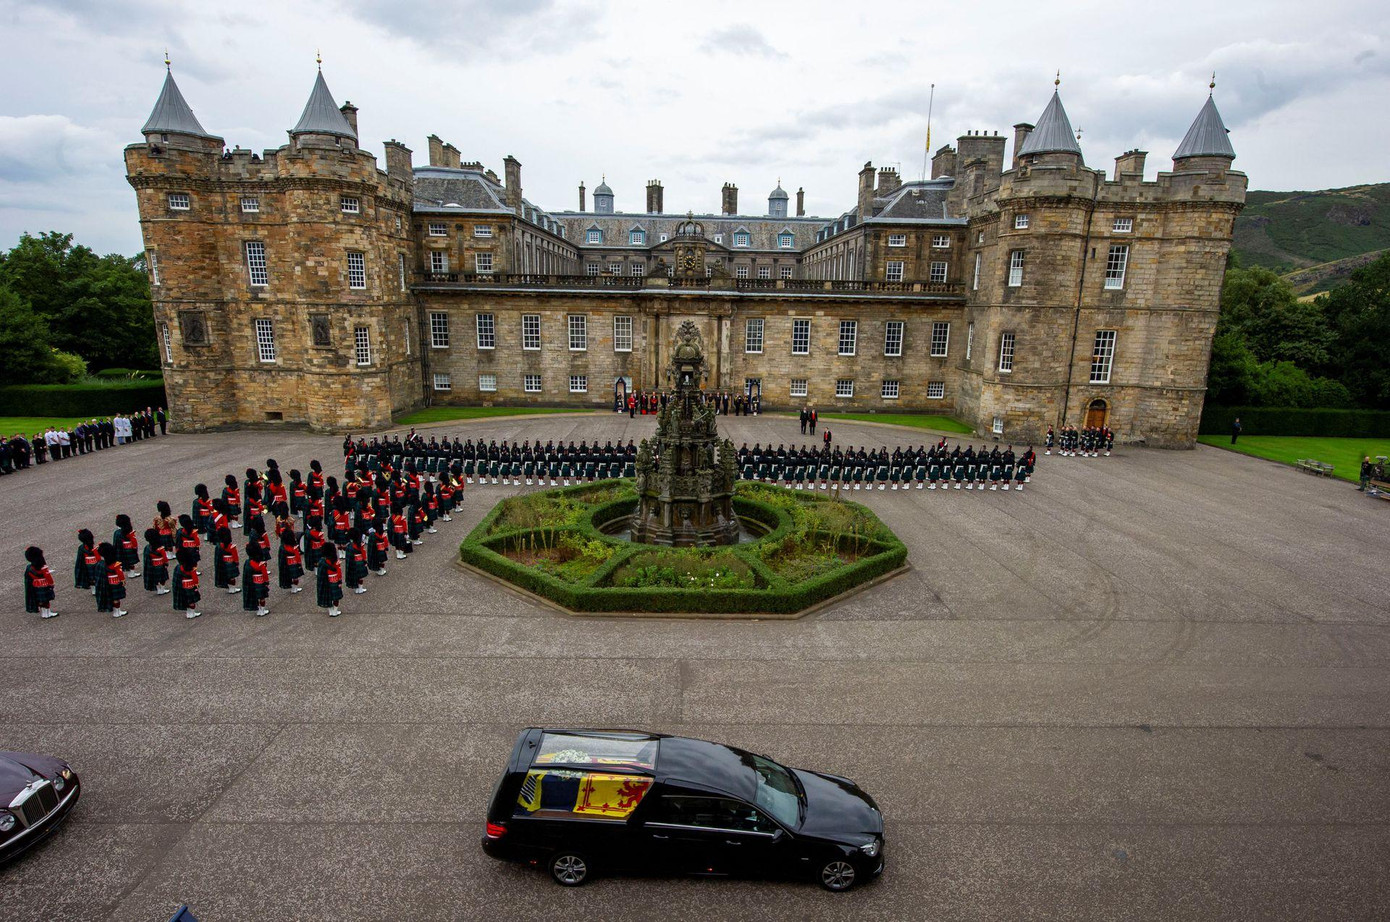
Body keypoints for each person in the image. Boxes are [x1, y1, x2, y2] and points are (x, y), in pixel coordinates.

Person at [95, 542, 128, 617]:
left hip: (107, 584)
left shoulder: (101, 564)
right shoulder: (115, 565)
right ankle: (117, 612)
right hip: (115, 583)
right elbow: (120, 574)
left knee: (112, 598)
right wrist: (123, 581)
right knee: (116, 599)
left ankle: (116, 611)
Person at [24, 546, 59, 619]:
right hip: (44, 585)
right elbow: (48, 577)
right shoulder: (43, 567)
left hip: (35, 585)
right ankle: (48, 613)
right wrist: (51, 583)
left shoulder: (29, 568)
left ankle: (44, 614)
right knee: (46, 601)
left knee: (41, 601)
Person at [242, 543, 271, 617]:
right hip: (260, 583)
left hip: (252, 583)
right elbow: (265, 575)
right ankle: (262, 610)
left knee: (256, 597)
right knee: (262, 598)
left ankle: (259, 610)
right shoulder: (261, 564)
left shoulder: (247, 563)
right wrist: (266, 582)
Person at [172, 547, 202, 619]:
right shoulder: (191, 568)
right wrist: (196, 585)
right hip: (190, 585)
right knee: (191, 600)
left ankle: (189, 613)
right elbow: (195, 578)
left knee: (186, 599)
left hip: (182, 585)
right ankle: (192, 613)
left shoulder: (178, 568)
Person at [142, 528, 170, 595]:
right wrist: (166, 563)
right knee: (162, 578)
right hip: (160, 565)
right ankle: (162, 589)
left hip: (152, 566)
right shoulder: (160, 548)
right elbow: (165, 558)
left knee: (155, 578)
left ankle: (158, 589)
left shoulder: (147, 548)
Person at [316, 552, 344, 617]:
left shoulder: (322, 562)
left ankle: (331, 611)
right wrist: (340, 581)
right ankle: (335, 611)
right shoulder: (335, 562)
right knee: (336, 598)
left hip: (326, 581)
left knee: (328, 597)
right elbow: (339, 572)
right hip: (334, 580)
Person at [214, 527, 240, 594]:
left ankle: (230, 588)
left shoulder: (219, 546)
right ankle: (233, 589)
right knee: (232, 578)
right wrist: (236, 563)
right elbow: (235, 557)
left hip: (223, 564)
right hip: (231, 564)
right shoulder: (232, 547)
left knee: (227, 577)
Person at [75, 528, 101, 594]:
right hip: (96, 564)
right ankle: (96, 589)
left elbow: (79, 559)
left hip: (87, 565)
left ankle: (94, 590)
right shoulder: (95, 547)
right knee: (96, 577)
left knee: (91, 578)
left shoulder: (81, 548)